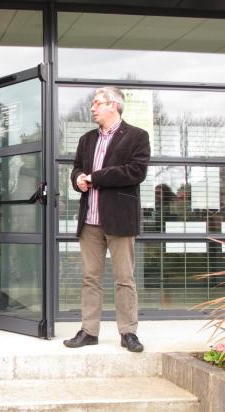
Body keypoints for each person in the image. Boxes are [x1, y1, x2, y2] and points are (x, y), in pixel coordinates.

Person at [64, 86, 150, 353]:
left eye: (97, 103)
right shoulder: (87, 139)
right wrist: (78, 179)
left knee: (125, 278)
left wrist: (95, 177)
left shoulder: (137, 136)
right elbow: (78, 168)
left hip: (120, 220)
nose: (93, 108)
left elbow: (136, 172)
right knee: (91, 278)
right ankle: (89, 331)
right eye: (93, 104)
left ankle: (128, 333)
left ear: (114, 105)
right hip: (90, 220)